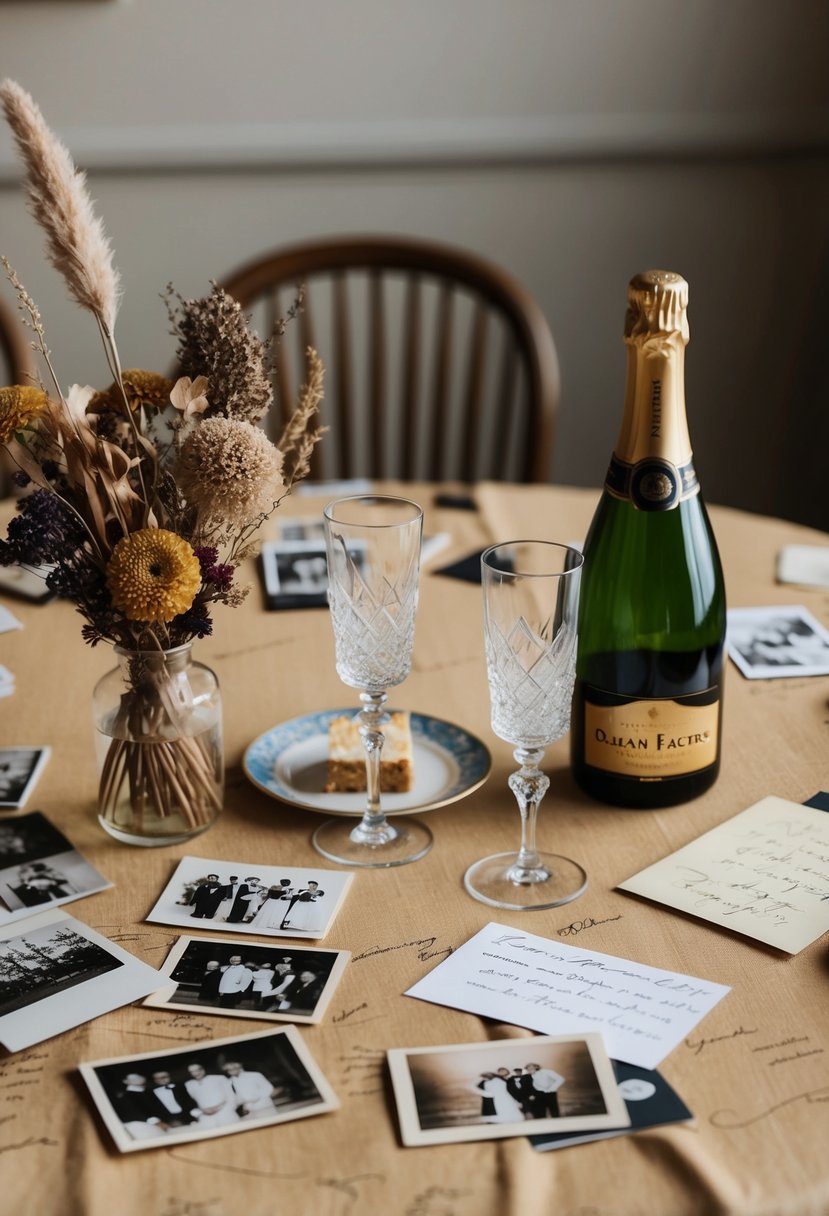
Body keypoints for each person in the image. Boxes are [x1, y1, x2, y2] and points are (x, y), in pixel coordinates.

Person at [111, 1072, 170, 1140]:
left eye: (139, 1076)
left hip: (166, 1123)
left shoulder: (148, 1091)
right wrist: (156, 1122)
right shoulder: (125, 1096)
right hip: (146, 1127)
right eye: (134, 1077)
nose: (138, 1078)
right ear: (125, 1081)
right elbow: (133, 1113)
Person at [184, 1062, 239, 1127]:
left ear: (203, 1069)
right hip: (206, 1117)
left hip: (225, 1113)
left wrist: (226, 1109)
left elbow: (231, 1096)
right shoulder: (189, 1084)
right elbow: (195, 1100)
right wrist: (204, 1111)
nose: (196, 1073)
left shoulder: (219, 1078)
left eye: (198, 1070)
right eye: (192, 1072)